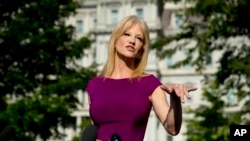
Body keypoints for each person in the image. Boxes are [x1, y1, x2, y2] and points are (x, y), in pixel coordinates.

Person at [86, 15, 197, 141]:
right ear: (115, 42)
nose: (132, 41)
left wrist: (175, 100)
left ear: (141, 50)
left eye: (139, 38)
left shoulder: (150, 84)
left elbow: (172, 128)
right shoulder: (94, 85)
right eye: (127, 34)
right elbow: (94, 131)